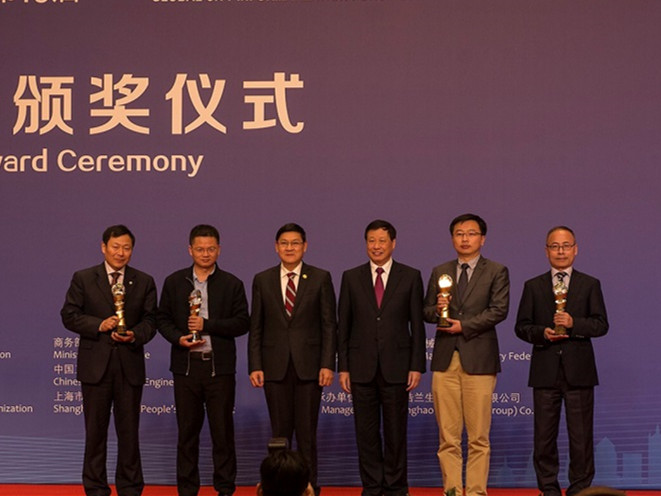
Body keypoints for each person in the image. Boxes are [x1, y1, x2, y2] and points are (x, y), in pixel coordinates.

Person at [60, 225, 157, 496]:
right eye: (115, 247)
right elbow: (69, 315)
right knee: (95, 433)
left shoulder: (144, 281)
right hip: (95, 368)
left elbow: (151, 321)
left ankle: (130, 488)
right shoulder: (84, 278)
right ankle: (95, 488)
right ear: (104, 247)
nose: (120, 252)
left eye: (126, 248)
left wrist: (135, 335)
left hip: (129, 366)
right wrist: (99, 325)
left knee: (129, 433)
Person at [515, 226, 608, 496]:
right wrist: (542, 333)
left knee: (581, 438)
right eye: (555, 246)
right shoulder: (533, 286)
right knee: (544, 438)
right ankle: (548, 489)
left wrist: (573, 323)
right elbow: (521, 327)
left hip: (579, 371)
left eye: (566, 246)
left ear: (575, 249)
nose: (560, 251)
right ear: (546, 251)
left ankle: (580, 489)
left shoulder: (590, 284)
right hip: (545, 371)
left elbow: (601, 324)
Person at [157, 224, 250, 496]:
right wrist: (178, 338)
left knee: (223, 433)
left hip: (218, 369)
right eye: (200, 249)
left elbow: (242, 322)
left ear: (218, 250)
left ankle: (225, 489)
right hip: (186, 368)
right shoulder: (175, 282)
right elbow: (162, 319)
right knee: (187, 434)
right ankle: (187, 489)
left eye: (210, 249)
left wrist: (206, 324)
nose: (205, 254)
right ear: (190, 250)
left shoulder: (232, 283)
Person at [423, 213, 510, 496]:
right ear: (452, 238)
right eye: (459, 233)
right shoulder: (440, 271)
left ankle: (475, 492)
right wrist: (438, 309)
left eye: (471, 234)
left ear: (482, 239)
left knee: (478, 437)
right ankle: (451, 490)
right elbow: (426, 311)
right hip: (445, 360)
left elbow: (499, 310)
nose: (465, 239)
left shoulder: (496, 270)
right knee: (448, 436)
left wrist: (464, 326)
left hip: (479, 360)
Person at [337, 219, 426, 496]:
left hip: (397, 368)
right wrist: (344, 367)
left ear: (393, 244)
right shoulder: (351, 277)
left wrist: (416, 366)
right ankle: (372, 486)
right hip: (360, 368)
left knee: (396, 432)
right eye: (371, 241)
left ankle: (396, 487)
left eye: (382, 241)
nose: (376, 246)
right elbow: (344, 326)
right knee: (366, 433)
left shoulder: (410, 276)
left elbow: (417, 326)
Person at [248, 223, 337, 496]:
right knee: (279, 436)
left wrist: (327, 364)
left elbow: (329, 325)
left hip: (310, 368)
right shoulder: (262, 279)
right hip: (274, 368)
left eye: (295, 243)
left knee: (307, 435)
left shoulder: (320, 278)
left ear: (305, 246)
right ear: (276, 247)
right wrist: (255, 365)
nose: (290, 248)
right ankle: (277, 488)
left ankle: (309, 488)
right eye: (284, 243)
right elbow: (256, 327)